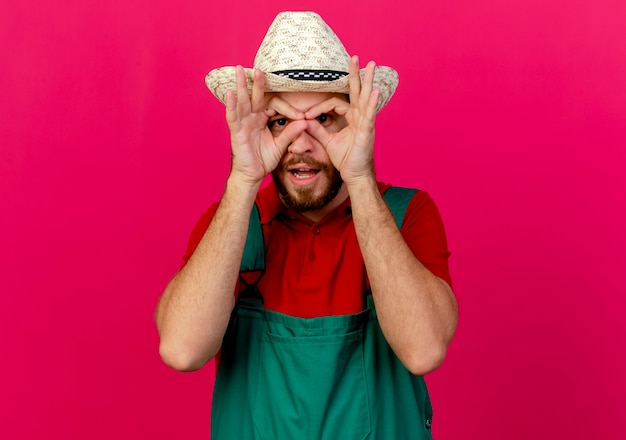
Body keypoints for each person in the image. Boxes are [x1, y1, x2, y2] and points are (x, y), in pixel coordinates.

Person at [156, 11, 458, 439]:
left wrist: (359, 177)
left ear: (355, 123)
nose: (301, 144)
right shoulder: (234, 222)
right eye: (281, 122)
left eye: (324, 120)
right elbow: (181, 350)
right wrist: (243, 179)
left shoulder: (407, 214)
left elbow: (424, 350)